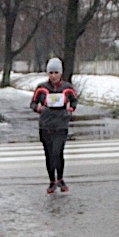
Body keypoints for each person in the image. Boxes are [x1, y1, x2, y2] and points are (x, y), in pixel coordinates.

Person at [30, 58, 79, 194]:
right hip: (46, 125)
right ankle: (52, 181)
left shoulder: (67, 87)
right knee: (49, 154)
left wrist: (70, 111)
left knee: (58, 152)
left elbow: (74, 101)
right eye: (51, 73)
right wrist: (39, 109)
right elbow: (33, 103)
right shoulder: (41, 87)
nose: (53, 76)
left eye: (56, 72)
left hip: (61, 124)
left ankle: (60, 179)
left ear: (60, 73)